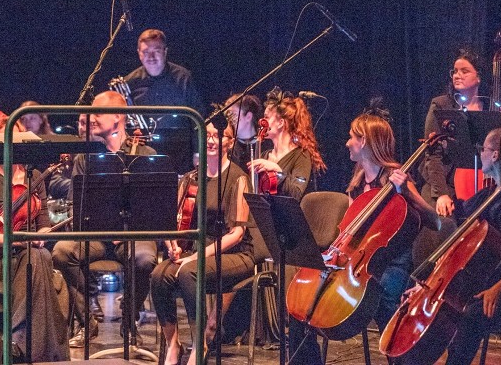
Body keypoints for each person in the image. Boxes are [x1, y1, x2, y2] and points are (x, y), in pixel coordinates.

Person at [287, 107, 439, 365]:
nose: (347, 143)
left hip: (392, 264)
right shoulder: (357, 182)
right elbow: (348, 230)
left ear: (365, 142)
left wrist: (408, 193)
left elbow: (435, 221)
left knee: (384, 302)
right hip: (355, 263)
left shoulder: (394, 177)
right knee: (301, 305)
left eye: (352, 137)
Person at [0, 112, 69, 364]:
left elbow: (43, 225)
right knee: (37, 257)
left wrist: (41, 236)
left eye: (15, 139)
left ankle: (18, 342)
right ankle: (24, 343)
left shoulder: (35, 177)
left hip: (26, 257)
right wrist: (15, 240)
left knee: (39, 253)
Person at [51, 91, 158, 347]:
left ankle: (129, 321)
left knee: (145, 259)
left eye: (98, 112)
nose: (92, 117)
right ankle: (87, 321)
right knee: (62, 251)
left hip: (133, 236)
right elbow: (77, 206)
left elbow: (153, 207)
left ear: (118, 117)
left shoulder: (145, 153)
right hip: (97, 237)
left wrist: (132, 227)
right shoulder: (84, 158)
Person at [152, 121, 259, 365]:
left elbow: (237, 234)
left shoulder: (237, 178)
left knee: (190, 271)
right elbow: (175, 221)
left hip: (234, 253)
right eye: (207, 134)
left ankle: (200, 344)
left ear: (229, 143)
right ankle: (173, 344)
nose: (211, 140)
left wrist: (197, 256)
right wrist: (174, 244)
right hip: (197, 250)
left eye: (218, 136)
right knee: (159, 274)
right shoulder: (191, 177)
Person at [444, 127, 501, 365]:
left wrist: (497, 289)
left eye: (484, 149)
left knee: (472, 315)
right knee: (453, 303)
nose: (481, 153)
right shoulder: (490, 195)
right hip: (494, 283)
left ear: (495, 155)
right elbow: (451, 219)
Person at [420, 48, 491, 216]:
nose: (457, 75)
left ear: (479, 77)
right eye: (455, 71)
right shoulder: (441, 105)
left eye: (464, 71)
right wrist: (442, 194)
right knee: (444, 222)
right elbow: (432, 154)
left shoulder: (490, 108)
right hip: (444, 182)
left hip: (481, 184)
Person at [123, 29, 204, 172]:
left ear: (165, 51)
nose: (151, 56)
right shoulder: (130, 82)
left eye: (157, 51)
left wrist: (198, 152)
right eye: (146, 52)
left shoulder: (183, 77)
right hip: (144, 154)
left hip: (181, 153)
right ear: (139, 53)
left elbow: (198, 118)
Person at [248, 88, 326, 201]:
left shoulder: (301, 155)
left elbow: (296, 193)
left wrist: (277, 172)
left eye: (267, 117)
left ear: (281, 123)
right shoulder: (265, 156)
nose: (262, 121)